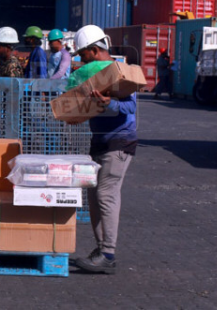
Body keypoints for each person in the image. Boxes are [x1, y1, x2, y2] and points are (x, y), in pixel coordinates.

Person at [69, 25, 137, 275]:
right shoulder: (91, 75)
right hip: (99, 142)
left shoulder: (119, 72)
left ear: (95, 50)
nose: (80, 59)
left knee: (106, 194)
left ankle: (108, 253)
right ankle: (101, 250)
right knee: (94, 198)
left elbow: (129, 107)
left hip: (119, 143)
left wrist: (109, 105)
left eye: (83, 54)